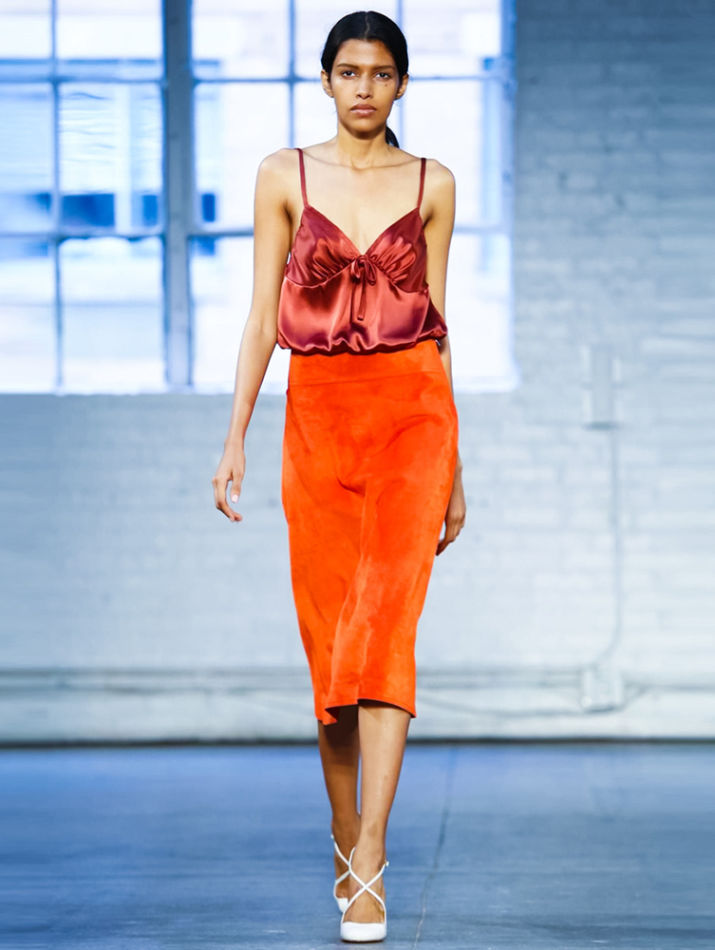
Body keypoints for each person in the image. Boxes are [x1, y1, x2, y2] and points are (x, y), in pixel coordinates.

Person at [212, 10, 466, 943]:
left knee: (385, 633)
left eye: (381, 73)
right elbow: (259, 317)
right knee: (330, 653)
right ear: (324, 80)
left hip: (412, 419)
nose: (365, 87)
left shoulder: (433, 183)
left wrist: (456, 467)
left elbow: (438, 326)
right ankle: (341, 827)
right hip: (316, 417)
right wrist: (235, 437)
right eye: (349, 71)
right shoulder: (283, 174)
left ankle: (370, 856)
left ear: (401, 84)